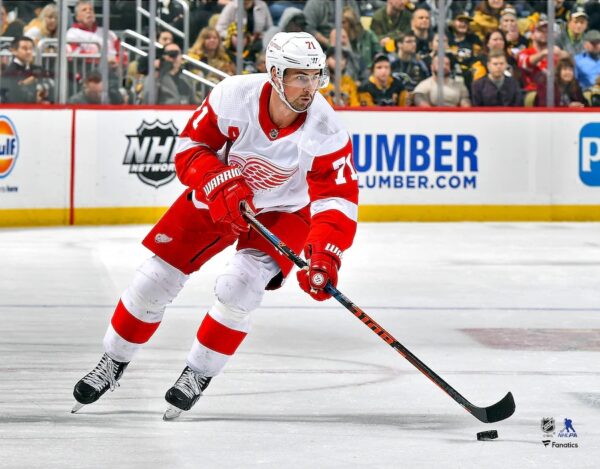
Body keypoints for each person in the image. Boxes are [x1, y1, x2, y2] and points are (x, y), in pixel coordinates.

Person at [71, 31, 359, 420]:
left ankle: (198, 373)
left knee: (239, 287)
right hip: (220, 192)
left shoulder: (326, 129)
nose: (309, 88)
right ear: (274, 73)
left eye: (315, 76)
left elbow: (336, 200)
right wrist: (218, 180)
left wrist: (325, 253)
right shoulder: (233, 95)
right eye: (299, 76)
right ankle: (113, 361)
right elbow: (189, 148)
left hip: (284, 210)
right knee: (153, 280)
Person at [518, 20, 569, 92]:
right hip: (533, 92)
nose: (544, 33)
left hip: (555, 92)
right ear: (532, 35)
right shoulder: (524, 53)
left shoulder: (556, 53)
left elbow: (570, 66)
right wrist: (543, 53)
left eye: (547, 31)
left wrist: (563, 55)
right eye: (540, 31)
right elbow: (526, 63)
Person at [3, 36, 52, 104]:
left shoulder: (38, 69)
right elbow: (13, 97)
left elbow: (49, 89)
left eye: (31, 48)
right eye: (24, 48)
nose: (29, 52)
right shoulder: (8, 73)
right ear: (13, 51)